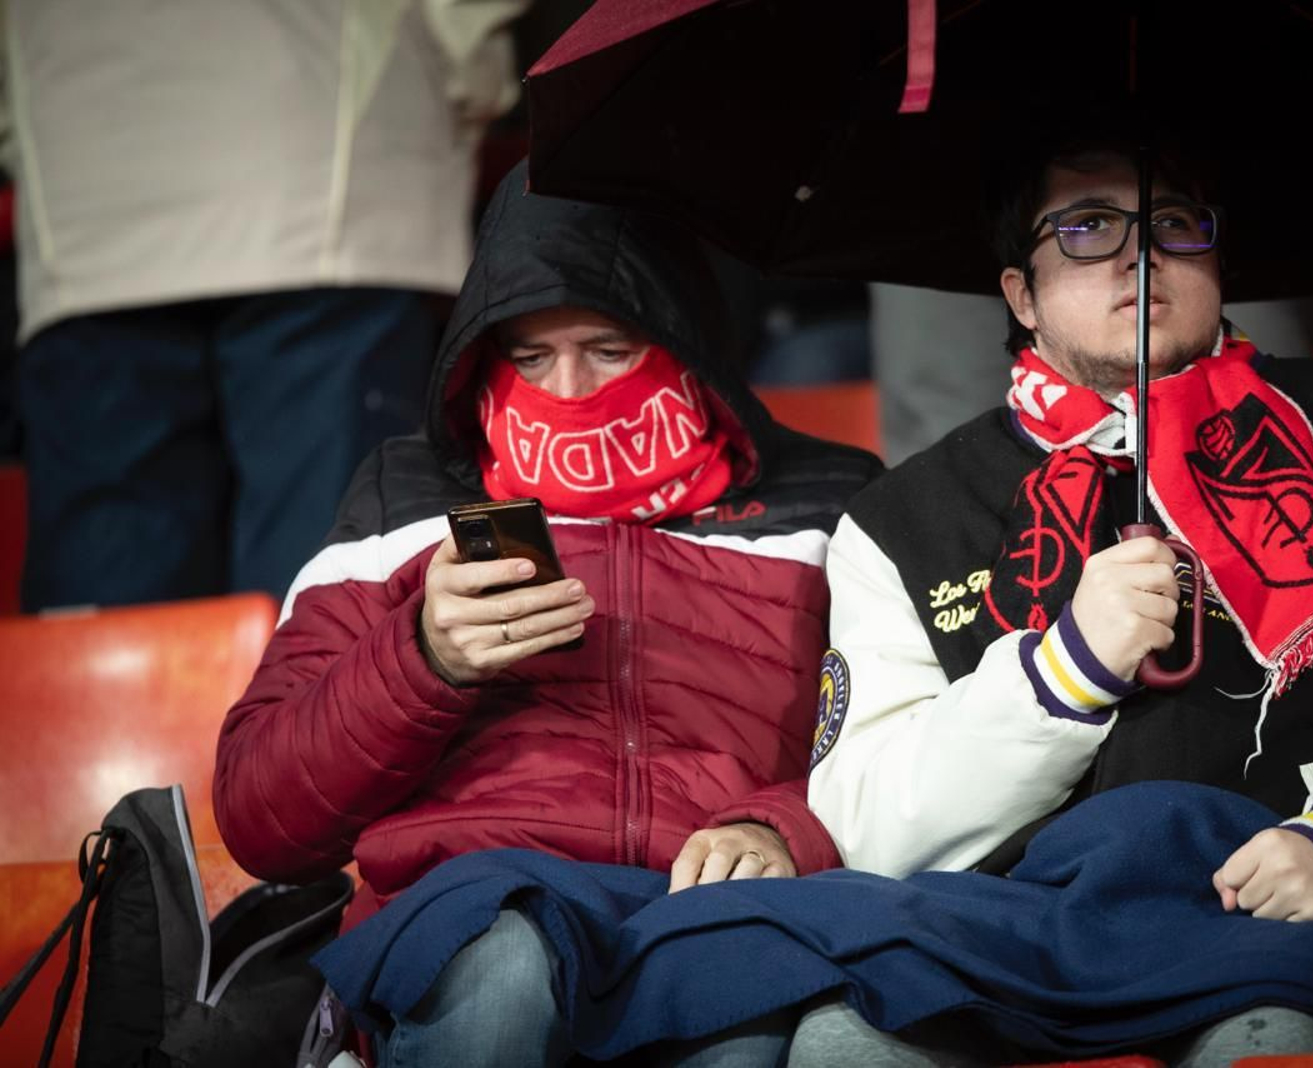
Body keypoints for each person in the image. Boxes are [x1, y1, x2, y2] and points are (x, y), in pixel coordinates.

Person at [800, 142, 1313, 1063]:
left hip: (1298, 929)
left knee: (1267, 1042)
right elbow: (869, 824)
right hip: (1007, 940)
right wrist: (1062, 674)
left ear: (1216, 259)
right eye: (1087, 227)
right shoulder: (902, 518)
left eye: (1174, 223)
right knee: (842, 1039)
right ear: (1020, 293)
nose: (1142, 255)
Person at [212, 169, 882, 1064]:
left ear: (686, 339)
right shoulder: (404, 493)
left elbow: (906, 750)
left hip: (717, 908)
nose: (567, 390)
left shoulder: (830, 496)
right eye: (529, 356)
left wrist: (782, 828)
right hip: (472, 905)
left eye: (608, 347)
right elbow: (263, 820)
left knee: (744, 1022)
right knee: (504, 976)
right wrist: (422, 659)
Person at [0, 0, 530, 609]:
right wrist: (463, 87)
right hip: (333, 170)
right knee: (328, 602)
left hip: (75, 188)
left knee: (110, 621)